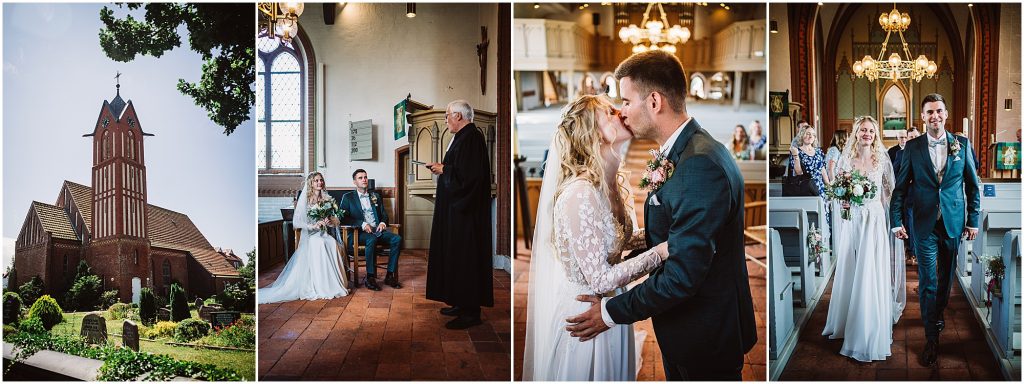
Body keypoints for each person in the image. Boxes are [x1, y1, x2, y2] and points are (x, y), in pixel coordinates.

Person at [563, 50, 756, 380]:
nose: (623, 111)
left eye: (627, 101)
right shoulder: (689, 151)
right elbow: (671, 237)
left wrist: (609, 313)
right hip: (690, 328)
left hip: (703, 337)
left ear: (654, 101)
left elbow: (682, 275)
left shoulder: (698, 165)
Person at [522, 95, 669, 381]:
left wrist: (662, 233)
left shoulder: (611, 182)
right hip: (587, 312)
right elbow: (600, 279)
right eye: (610, 112)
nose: (621, 112)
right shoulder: (580, 194)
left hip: (611, 306)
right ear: (593, 132)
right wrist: (662, 251)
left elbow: (616, 240)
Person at [891, 93, 981, 366]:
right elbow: (900, 188)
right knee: (928, 281)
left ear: (946, 114)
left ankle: (937, 311)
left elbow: (972, 186)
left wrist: (973, 220)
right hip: (924, 223)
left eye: (939, 111)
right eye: (929, 112)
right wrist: (896, 220)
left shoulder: (961, 145)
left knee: (945, 281)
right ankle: (931, 337)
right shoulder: (912, 147)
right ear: (922, 116)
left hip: (952, 222)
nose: (935, 116)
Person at [821, 116, 905, 362]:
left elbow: (889, 191)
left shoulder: (882, 160)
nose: (867, 134)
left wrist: (890, 216)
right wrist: (844, 201)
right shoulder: (846, 159)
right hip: (854, 219)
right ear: (856, 133)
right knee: (853, 265)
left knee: (871, 268)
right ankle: (848, 318)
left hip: (874, 219)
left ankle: (869, 322)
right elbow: (839, 190)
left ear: (875, 134)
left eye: (870, 131)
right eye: (863, 130)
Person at [425, 100, 493, 330]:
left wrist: (444, 169)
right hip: (456, 212)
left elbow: (471, 177)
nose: (445, 120)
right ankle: (460, 303)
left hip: (466, 215)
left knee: (466, 259)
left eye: (447, 115)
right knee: (456, 257)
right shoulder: (463, 137)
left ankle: (471, 312)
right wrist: (444, 168)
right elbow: (460, 169)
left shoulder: (472, 138)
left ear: (459, 116)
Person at [258, 172, 349, 303]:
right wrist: (313, 226)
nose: (319, 182)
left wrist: (329, 221)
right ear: (311, 183)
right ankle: (320, 286)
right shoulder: (306, 200)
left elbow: (335, 220)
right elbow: (297, 222)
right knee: (320, 243)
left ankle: (334, 284)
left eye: (321, 180)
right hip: (311, 236)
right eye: (316, 180)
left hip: (324, 233)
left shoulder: (327, 199)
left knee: (331, 242)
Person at [340, 169, 402, 291]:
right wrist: (362, 224)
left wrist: (383, 223)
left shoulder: (375, 196)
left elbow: (384, 215)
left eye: (365, 177)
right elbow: (343, 218)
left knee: (397, 239)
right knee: (371, 239)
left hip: (377, 231)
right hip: (357, 233)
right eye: (360, 178)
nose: (364, 179)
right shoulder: (348, 197)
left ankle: (389, 275)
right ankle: (370, 277)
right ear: (354, 182)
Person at [790, 125, 827, 201]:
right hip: (806, 189)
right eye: (808, 134)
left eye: (813, 134)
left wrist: (829, 186)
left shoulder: (819, 151)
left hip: (820, 188)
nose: (810, 136)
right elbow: (798, 172)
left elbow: (823, 171)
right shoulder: (796, 151)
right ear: (802, 135)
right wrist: (795, 155)